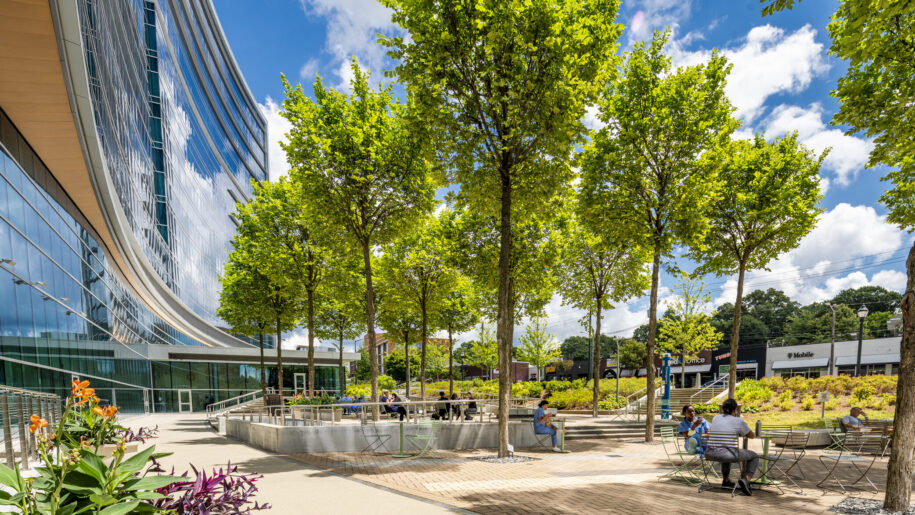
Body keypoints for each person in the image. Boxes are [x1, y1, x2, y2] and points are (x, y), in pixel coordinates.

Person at [706, 398, 759, 496]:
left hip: (709, 453)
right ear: (735, 410)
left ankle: (725, 480)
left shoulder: (715, 418)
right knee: (754, 456)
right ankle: (746, 480)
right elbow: (751, 436)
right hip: (726, 454)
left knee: (727, 451)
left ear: (722, 408)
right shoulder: (738, 421)